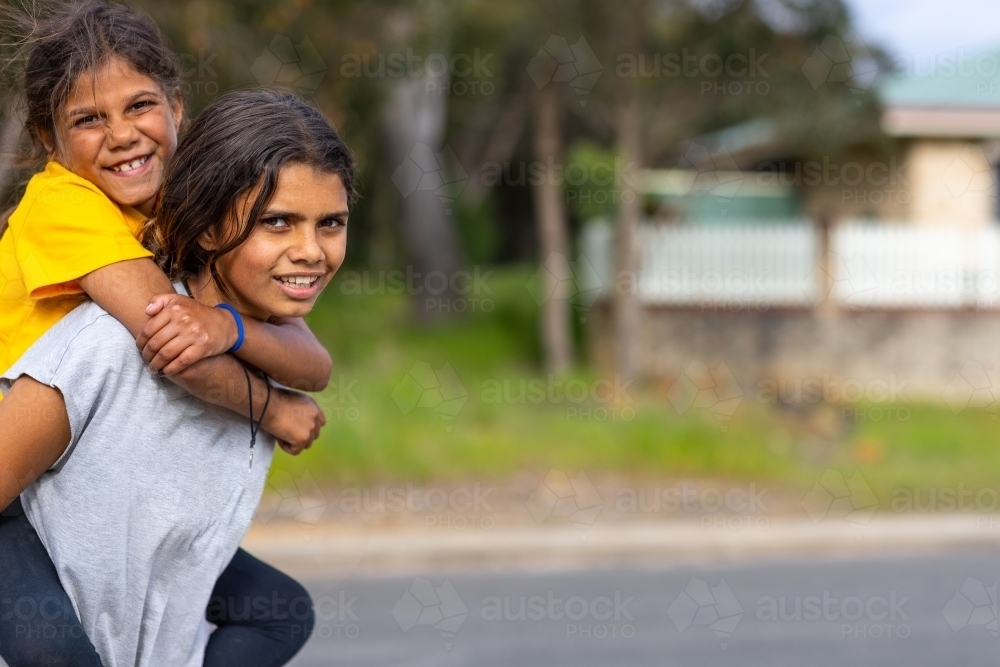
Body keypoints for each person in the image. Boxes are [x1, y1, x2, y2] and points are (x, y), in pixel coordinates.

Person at [0, 2, 327, 664]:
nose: (121, 134)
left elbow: (310, 357)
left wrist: (230, 324)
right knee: (58, 654)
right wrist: (275, 409)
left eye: (139, 105)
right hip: (17, 488)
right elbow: (172, 344)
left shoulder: (178, 209)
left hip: (97, 479)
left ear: (177, 105)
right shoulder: (66, 205)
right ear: (46, 135)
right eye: (88, 119)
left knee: (278, 611)